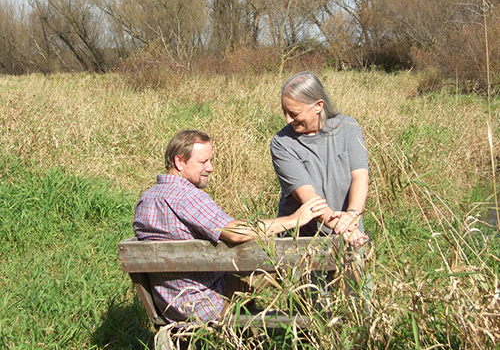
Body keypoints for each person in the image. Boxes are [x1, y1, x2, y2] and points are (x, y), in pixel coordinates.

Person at [133, 130, 327, 328]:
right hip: (207, 306)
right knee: (273, 259)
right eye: (203, 162)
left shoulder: (146, 199)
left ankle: (247, 335)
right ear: (179, 162)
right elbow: (236, 232)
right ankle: (314, 324)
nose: (210, 168)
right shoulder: (186, 197)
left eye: (211, 160)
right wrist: (295, 219)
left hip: (167, 307)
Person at [270, 72, 369, 247]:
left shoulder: (348, 128)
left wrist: (352, 216)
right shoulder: (281, 143)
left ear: (318, 106)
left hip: (351, 231)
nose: (287, 119)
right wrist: (343, 227)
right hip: (302, 240)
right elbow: (307, 195)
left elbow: (360, 177)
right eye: (284, 112)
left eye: (294, 113)